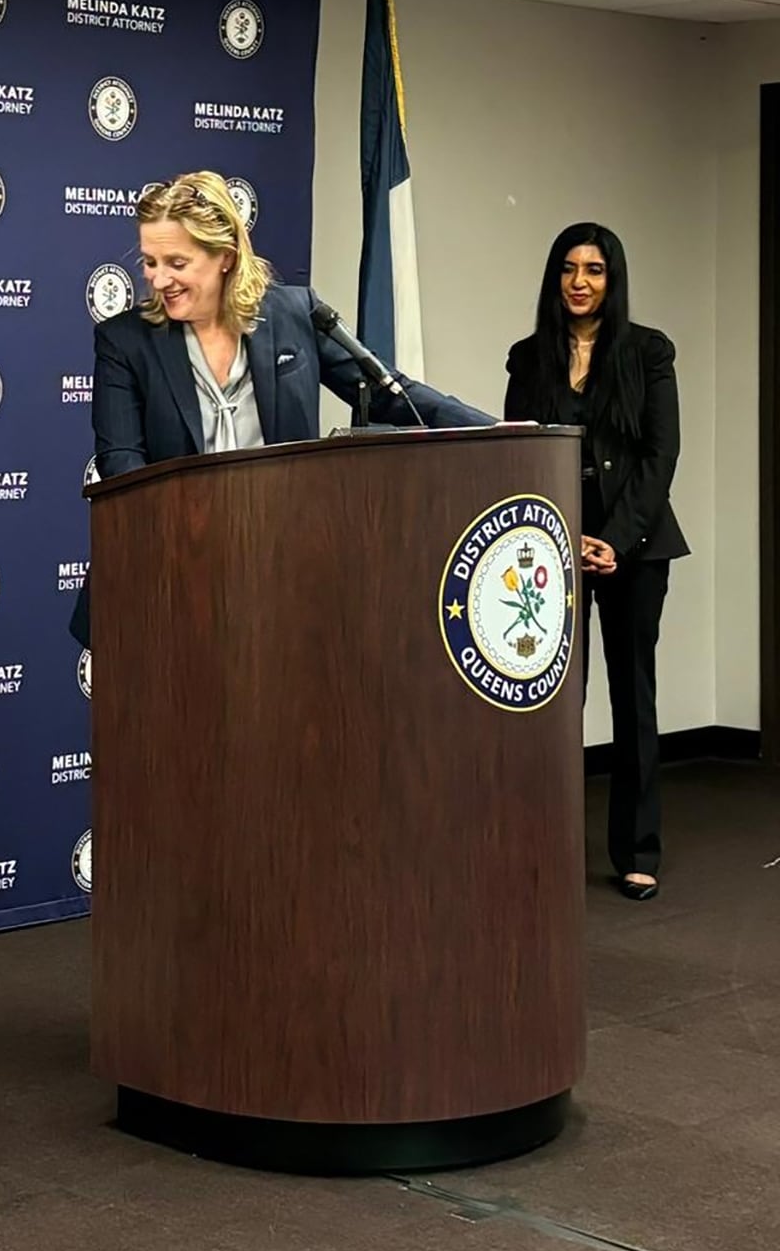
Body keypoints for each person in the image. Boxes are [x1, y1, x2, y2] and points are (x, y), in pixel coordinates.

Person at [70, 170, 493, 648]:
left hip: (282, 574)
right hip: (164, 580)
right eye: (149, 261)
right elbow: (123, 468)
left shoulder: (294, 315)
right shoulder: (124, 341)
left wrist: (497, 432)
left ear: (224, 258)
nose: (158, 278)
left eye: (176, 262)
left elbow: (391, 395)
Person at [505, 224, 686, 902]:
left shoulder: (647, 352)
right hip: (552, 552)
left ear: (614, 280)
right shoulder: (528, 358)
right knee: (553, 703)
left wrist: (614, 537)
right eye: (569, 269)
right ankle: (542, 845)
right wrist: (569, 537)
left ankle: (638, 850)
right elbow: (517, 457)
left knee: (631, 696)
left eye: (596, 270)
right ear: (555, 278)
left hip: (635, 551)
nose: (580, 281)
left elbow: (659, 457)